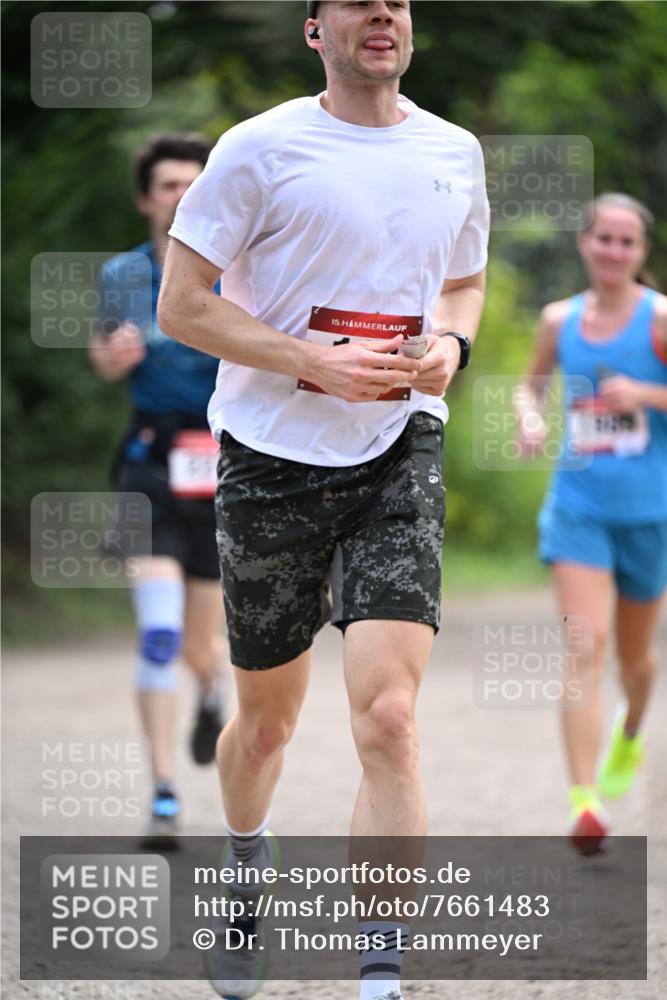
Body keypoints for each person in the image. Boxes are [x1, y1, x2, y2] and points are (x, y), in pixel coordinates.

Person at [159, 2, 488, 996]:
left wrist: (453, 346)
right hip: (269, 456)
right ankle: (246, 859)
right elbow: (182, 305)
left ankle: (379, 976)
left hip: (398, 449)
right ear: (316, 30)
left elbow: (465, 281)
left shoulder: (455, 150)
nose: (380, 11)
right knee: (265, 722)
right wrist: (310, 358)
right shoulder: (258, 148)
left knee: (387, 712)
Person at [89, 133, 228, 846]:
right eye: (167, 185)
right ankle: (165, 791)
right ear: (147, 198)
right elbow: (104, 357)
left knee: (200, 645)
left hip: (220, 464)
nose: (179, 196)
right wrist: (113, 356)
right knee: (159, 631)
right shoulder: (121, 274)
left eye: (191, 184)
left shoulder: (239, 273)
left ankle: (211, 692)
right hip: (148, 460)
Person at [517, 192, 667, 855]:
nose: (611, 251)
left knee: (635, 659)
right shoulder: (558, 320)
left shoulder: (659, 320)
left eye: (625, 242)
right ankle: (584, 801)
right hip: (577, 506)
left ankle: (630, 729)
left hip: (649, 512)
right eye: (601, 238)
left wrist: (647, 395)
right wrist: (528, 414)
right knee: (585, 645)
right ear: (583, 243)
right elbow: (531, 385)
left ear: (641, 252)